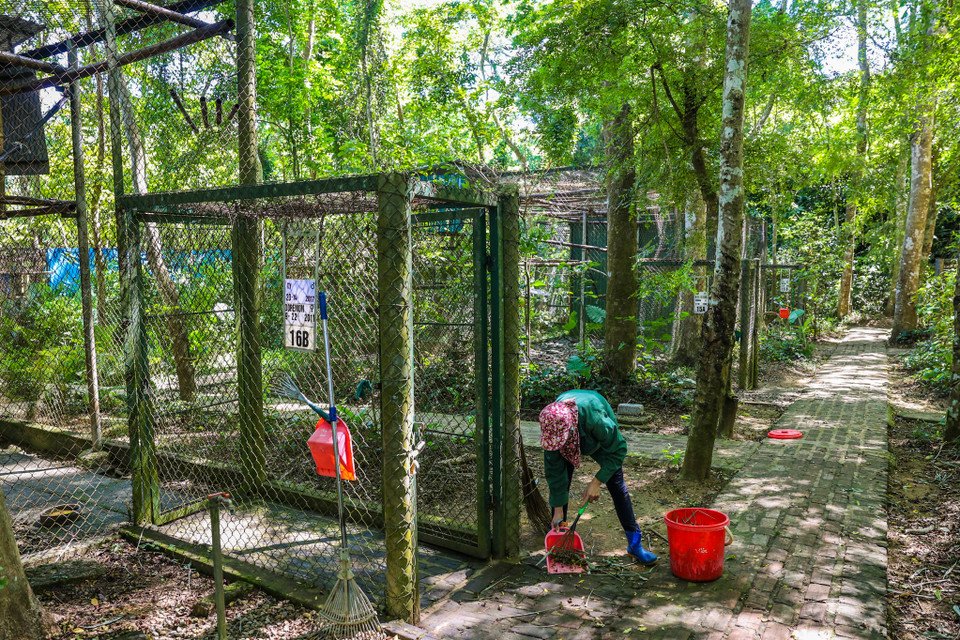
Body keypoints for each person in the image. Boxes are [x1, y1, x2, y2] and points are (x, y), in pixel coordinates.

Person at [539, 389, 658, 565]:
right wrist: (557, 510)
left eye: (561, 441)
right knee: (562, 484)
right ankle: (562, 542)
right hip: (570, 427)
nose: (558, 445)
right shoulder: (552, 428)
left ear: (571, 429)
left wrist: (597, 481)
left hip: (597, 433)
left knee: (617, 486)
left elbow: (618, 449)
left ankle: (635, 545)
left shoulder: (596, 420)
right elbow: (555, 474)